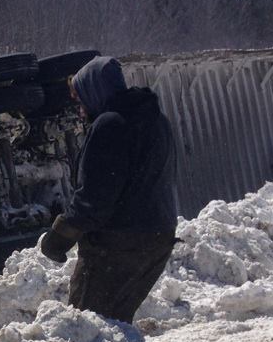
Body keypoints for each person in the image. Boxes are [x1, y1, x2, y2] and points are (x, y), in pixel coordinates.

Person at [38, 56, 178, 323]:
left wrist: (59, 237)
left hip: (119, 245)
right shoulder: (157, 121)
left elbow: (94, 200)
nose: (80, 110)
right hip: (159, 239)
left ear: (94, 91)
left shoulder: (110, 125)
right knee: (116, 324)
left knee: (86, 328)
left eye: (79, 100)